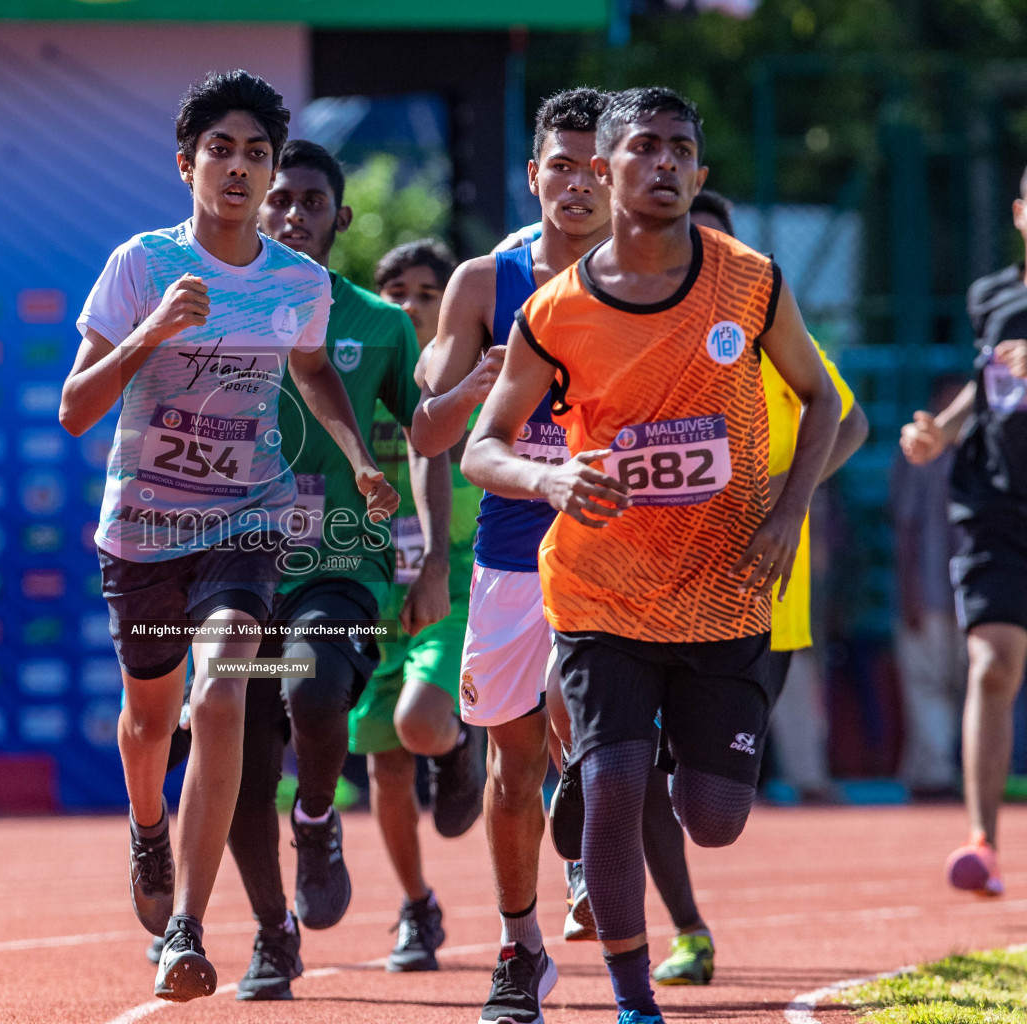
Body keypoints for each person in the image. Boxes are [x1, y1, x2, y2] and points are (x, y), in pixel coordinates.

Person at [460, 87, 841, 1024]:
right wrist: (550, 482)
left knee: (712, 819)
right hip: (602, 593)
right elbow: (481, 446)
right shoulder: (555, 310)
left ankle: (637, 751)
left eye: (681, 150)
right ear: (605, 169)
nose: (664, 164)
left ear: (700, 173)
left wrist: (788, 513)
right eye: (645, 148)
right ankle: (635, 1004)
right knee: (618, 787)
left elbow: (824, 401)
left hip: (722, 595)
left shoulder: (751, 282)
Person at [59, 70, 396, 1003]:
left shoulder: (299, 280)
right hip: (144, 529)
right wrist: (152, 334)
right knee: (148, 724)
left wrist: (358, 456)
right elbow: (75, 407)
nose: (241, 170)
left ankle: (187, 930)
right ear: (187, 166)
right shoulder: (141, 266)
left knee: (223, 697)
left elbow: (315, 368)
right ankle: (145, 826)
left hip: (248, 518)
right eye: (222, 152)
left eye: (258, 154)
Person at [547, 189, 867, 988]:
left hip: (754, 598)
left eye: (714, 249)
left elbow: (849, 420)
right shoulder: (621, 329)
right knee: (631, 769)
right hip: (630, 594)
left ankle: (614, 766)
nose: (700, 266)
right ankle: (681, 925)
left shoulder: (765, 322)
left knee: (713, 804)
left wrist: (780, 500)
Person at [219, 141, 443, 1002]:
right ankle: (273, 935)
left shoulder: (379, 325)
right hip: (234, 569)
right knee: (238, 748)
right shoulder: (214, 308)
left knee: (313, 690)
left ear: (338, 217)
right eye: (277, 200)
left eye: (310, 201)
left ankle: (315, 819)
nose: (290, 216)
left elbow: (426, 437)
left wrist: (428, 556)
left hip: (341, 566)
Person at [415, 87, 612, 1024]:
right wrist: (475, 385)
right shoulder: (482, 284)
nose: (577, 185)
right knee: (511, 755)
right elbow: (426, 429)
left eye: (594, 168)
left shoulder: (659, 279)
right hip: (509, 545)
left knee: (599, 730)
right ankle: (518, 944)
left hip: (620, 538)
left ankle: (588, 823)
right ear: (533, 176)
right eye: (560, 168)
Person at [350, 237, 483, 975]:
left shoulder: (479, 380)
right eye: (395, 290)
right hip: (371, 589)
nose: (410, 304)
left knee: (421, 726)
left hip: (454, 580)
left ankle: (461, 746)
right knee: (385, 772)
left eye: (427, 291)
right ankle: (416, 905)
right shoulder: (354, 379)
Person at [901, 166, 1027, 895]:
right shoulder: (991, 296)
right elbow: (990, 380)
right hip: (994, 505)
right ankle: (983, 844)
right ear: (1018, 213)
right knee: (991, 665)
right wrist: (941, 434)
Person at [889, 377, 967, 798]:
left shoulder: (980, 450)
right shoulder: (917, 456)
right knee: (928, 687)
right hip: (930, 594)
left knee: (956, 689)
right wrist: (910, 596)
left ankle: (928, 773)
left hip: (969, 595)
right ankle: (933, 777)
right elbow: (905, 531)